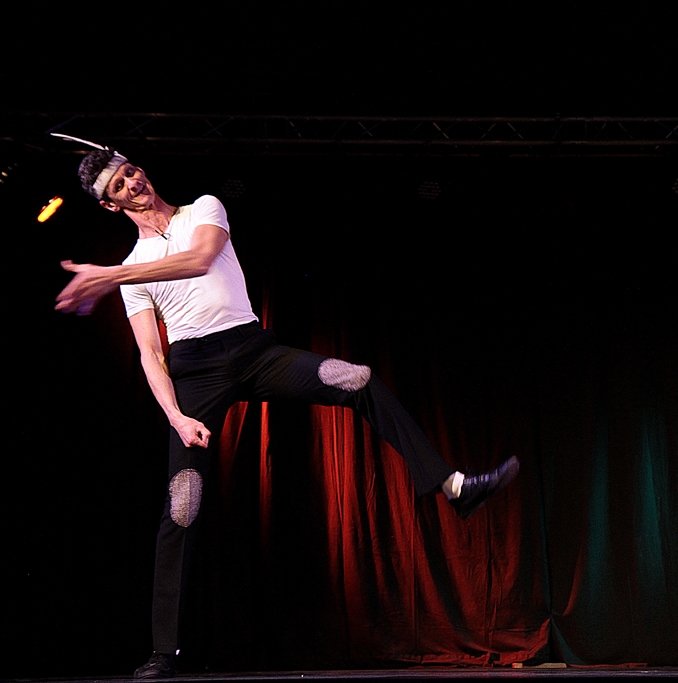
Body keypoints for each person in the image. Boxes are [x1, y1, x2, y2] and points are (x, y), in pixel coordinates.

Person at [57, 149, 520, 679]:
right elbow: (150, 355)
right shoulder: (130, 272)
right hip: (196, 373)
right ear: (110, 204)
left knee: (359, 379)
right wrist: (177, 417)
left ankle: (452, 485)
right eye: (118, 185)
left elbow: (201, 260)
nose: (132, 183)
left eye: (131, 171)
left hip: (253, 352)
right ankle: (165, 650)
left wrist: (112, 274)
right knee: (181, 506)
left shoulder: (202, 209)